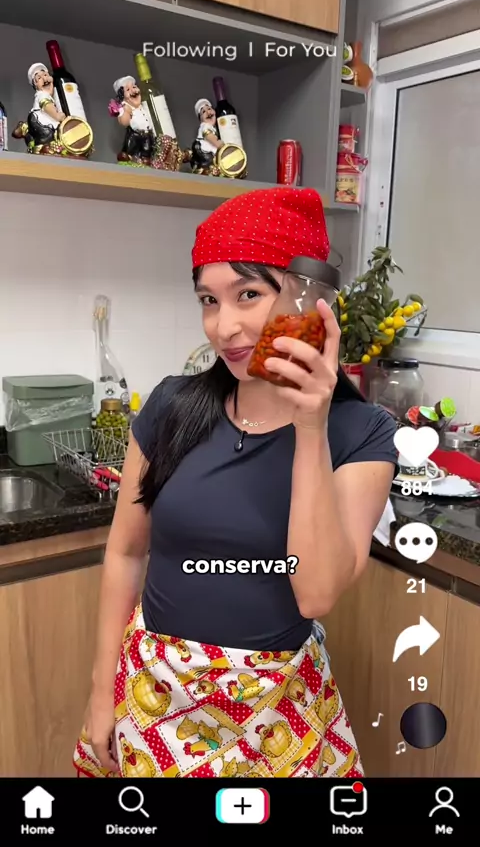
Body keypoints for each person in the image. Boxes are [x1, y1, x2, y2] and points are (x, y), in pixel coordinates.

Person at [74, 186, 397, 779]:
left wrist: (310, 426)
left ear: (308, 298)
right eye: (208, 300)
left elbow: (316, 594)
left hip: (278, 713)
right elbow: (125, 553)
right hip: (154, 696)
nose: (224, 327)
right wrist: (102, 691)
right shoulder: (171, 407)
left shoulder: (361, 432)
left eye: (248, 294)